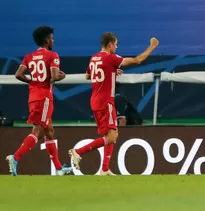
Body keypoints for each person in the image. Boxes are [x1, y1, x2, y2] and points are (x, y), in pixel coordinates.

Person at [69, 32, 159, 175]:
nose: (116, 47)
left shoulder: (94, 58)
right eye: (116, 44)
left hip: (95, 100)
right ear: (110, 44)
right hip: (106, 101)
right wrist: (152, 46)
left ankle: (105, 169)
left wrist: (110, 72)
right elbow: (137, 60)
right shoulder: (110, 58)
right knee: (112, 136)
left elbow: (88, 76)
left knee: (111, 132)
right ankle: (78, 152)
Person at [6, 26, 72, 176]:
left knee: (49, 131)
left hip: (33, 97)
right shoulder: (52, 55)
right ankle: (15, 157)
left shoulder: (29, 56)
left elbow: (18, 74)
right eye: (52, 38)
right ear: (47, 40)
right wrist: (63, 76)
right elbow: (55, 76)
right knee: (39, 130)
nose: (53, 40)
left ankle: (59, 168)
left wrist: (32, 82)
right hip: (44, 98)